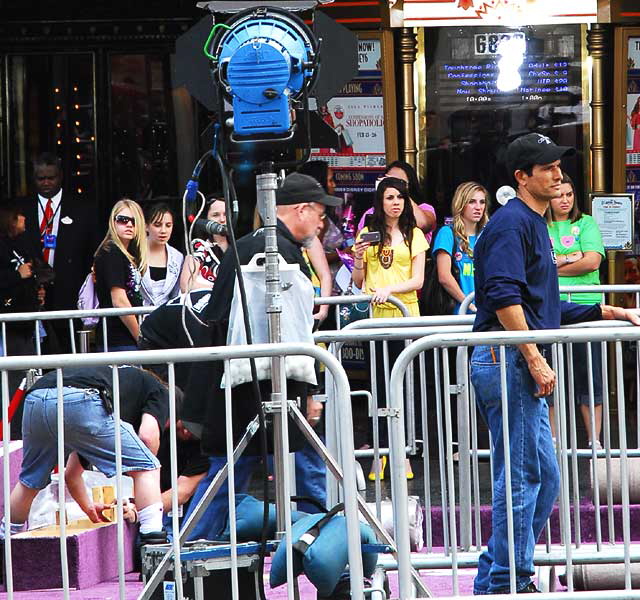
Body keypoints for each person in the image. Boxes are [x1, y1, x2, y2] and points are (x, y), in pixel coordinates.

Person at [470, 132, 640, 595]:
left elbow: (540, 304)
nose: (558, 173)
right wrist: (534, 358)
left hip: (512, 356)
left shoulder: (528, 224)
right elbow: (505, 298)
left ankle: (497, 572)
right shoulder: (512, 224)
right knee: (524, 477)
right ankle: (508, 579)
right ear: (522, 177)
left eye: (558, 166)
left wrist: (613, 310)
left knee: (543, 476)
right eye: (546, 167)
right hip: (506, 358)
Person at [180, 172, 341, 541]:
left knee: (235, 473)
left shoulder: (259, 245)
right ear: (301, 210)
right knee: (289, 468)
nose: (322, 222)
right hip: (260, 385)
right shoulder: (274, 253)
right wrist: (308, 386)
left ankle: (187, 549)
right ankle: (326, 542)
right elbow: (287, 331)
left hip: (248, 383)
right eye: (319, 213)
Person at [3, 365, 171, 543]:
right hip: (82, 400)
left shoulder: (119, 384)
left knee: (28, 484)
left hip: (37, 398)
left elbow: (72, 475)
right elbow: (147, 437)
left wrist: (89, 508)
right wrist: (142, 491)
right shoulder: (160, 390)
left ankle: (4, 542)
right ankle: (152, 545)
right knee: (148, 466)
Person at [352, 177, 428, 480]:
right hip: (376, 318)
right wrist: (358, 258)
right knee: (379, 388)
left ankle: (404, 455)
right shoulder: (368, 235)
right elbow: (359, 281)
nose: (395, 203)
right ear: (380, 201)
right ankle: (379, 455)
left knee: (405, 387)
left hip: (405, 316)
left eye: (400, 197)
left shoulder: (415, 235)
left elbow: (418, 280)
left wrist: (390, 290)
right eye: (390, 197)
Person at [546, 172, 605, 448]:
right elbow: (537, 266)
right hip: (550, 308)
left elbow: (592, 261)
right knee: (549, 377)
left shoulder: (587, 222)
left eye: (569, 194)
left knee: (590, 375)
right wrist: (572, 256)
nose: (565, 200)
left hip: (586, 305)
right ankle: (553, 440)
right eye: (559, 195)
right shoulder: (539, 225)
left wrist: (555, 263)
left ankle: (594, 440)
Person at [21, 152, 100, 354]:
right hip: (32, 293)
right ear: (33, 178)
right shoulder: (21, 210)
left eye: (51, 177)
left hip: (70, 291)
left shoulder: (83, 208)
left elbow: (93, 251)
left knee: (69, 352)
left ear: (61, 176)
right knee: (36, 355)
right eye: (41, 178)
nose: (46, 182)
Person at [0, 203, 47, 438]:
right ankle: (12, 434)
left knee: (29, 380)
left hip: (26, 325)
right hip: (8, 328)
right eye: (21, 215)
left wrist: (36, 289)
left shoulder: (21, 245)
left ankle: (26, 431)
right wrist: (16, 275)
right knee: (13, 382)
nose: (26, 220)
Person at [94, 199, 147, 351]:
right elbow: (119, 301)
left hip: (123, 337)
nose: (129, 225)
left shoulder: (127, 253)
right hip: (117, 339)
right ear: (113, 222)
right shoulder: (112, 251)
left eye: (134, 221)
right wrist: (140, 337)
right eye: (123, 220)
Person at [432, 181, 489, 313]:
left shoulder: (487, 235)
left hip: (485, 311)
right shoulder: (447, 233)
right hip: (457, 312)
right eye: (472, 202)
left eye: (482, 202)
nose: (478, 207)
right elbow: (444, 277)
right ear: (461, 204)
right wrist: (469, 305)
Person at [357, 160, 436, 240]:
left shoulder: (424, 208)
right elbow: (361, 242)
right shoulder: (372, 212)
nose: (394, 185)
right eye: (389, 181)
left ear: (410, 185)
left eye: (400, 182)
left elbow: (423, 225)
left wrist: (402, 191)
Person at [180, 196, 228, 292]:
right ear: (204, 220)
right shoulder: (199, 246)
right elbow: (186, 285)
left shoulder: (238, 246)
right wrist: (219, 289)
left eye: (226, 214)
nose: (222, 219)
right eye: (215, 215)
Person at [140, 202, 183, 307]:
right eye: (157, 225)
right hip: (137, 316)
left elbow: (176, 294)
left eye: (168, 225)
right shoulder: (134, 253)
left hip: (165, 317)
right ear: (146, 226)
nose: (163, 231)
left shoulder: (177, 257)